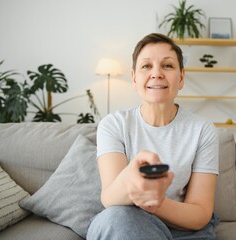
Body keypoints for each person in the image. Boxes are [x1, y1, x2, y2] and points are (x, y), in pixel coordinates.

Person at [87, 33, 219, 240]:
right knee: (116, 218)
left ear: (181, 77)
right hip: (125, 221)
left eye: (167, 66)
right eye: (146, 66)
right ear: (134, 78)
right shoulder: (113, 125)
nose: (156, 74)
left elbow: (200, 214)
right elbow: (110, 198)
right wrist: (132, 177)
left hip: (182, 230)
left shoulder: (203, 130)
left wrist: (157, 202)